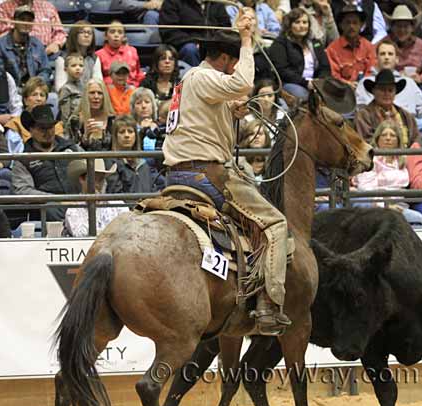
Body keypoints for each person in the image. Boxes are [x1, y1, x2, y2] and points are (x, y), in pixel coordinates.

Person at [163, 12, 291, 335]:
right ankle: (269, 306)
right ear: (223, 59)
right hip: (207, 174)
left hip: (179, 173)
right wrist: (246, 40)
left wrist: (230, 110)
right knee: (275, 223)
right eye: (233, 61)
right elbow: (243, 83)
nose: (235, 66)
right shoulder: (201, 77)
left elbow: (215, 109)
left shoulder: (191, 82)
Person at [12, 105, 82, 221]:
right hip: (50, 209)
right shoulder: (23, 159)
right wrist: (57, 200)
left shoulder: (72, 148)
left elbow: (91, 170)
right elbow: (23, 191)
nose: (48, 132)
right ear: (31, 129)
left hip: (79, 201)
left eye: (50, 127)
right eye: (42, 128)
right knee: (51, 208)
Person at [352, 120, 422, 222]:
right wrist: (386, 206)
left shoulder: (402, 159)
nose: (388, 138)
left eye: (392, 135)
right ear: (377, 139)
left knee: (419, 219)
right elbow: (366, 189)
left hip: (401, 205)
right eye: (384, 135)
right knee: (417, 218)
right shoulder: (371, 160)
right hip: (377, 207)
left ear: (398, 140)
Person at [355, 39, 422, 126]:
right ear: (376, 59)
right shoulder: (366, 83)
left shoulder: (409, 83)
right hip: (378, 126)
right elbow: (361, 111)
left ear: (397, 59)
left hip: (409, 125)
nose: (386, 57)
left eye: (390, 54)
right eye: (382, 54)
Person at [268, 8, 330, 99]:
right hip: (291, 83)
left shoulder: (315, 43)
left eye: (305, 22)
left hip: (315, 83)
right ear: (289, 25)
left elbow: (325, 67)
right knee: (305, 97)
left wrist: (319, 81)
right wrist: (306, 83)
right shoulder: (280, 43)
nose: (302, 26)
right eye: (297, 22)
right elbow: (282, 70)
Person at [64, 158, 129, 237]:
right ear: (82, 179)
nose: (97, 184)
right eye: (93, 179)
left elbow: (128, 228)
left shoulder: (118, 205)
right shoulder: (73, 210)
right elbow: (80, 233)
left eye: (100, 180)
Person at [355, 69, 419, 147]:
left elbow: (416, 139)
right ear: (373, 91)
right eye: (382, 90)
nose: (386, 94)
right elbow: (365, 142)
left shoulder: (406, 116)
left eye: (390, 90)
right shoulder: (364, 115)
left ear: (395, 93)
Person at [0, 5, 52, 89]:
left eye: (29, 20)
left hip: (34, 90)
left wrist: (35, 85)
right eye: (22, 19)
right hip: (10, 91)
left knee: (53, 98)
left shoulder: (37, 44)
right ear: (14, 22)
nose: (26, 23)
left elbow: (45, 70)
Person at [159, 0, 231, 67]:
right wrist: (195, 42)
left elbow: (225, 28)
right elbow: (169, 31)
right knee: (190, 49)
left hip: (213, 44)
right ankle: (195, 78)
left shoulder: (216, 3)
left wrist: (214, 44)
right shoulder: (173, 2)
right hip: (186, 45)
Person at [6, 76, 64, 154]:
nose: (39, 99)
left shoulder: (56, 125)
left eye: (42, 95)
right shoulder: (15, 124)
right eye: (34, 95)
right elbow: (15, 154)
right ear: (25, 100)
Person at [325, 4, 375, 90]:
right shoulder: (332, 49)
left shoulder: (368, 47)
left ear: (361, 25)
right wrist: (347, 84)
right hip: (341, 91)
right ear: (341, 25)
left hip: (366, 89)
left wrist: (362, 85)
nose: (351, 26)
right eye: (348, 23)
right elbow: (333, 76)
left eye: (355, 23)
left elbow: (371, 71)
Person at [0, 0, 67, 59]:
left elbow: (60, 32)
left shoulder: (48, 7)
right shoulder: (3, 8)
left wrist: (56, 44)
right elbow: (4, 34)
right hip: (17, 52)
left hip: (48, 52)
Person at [384, 4, 422, 87]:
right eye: (398, 26)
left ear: (412, 28)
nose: (402, 30)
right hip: (390, 86)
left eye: (406, 26)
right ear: (392, 27)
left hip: (417, 85)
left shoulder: (421, 45)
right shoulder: (384, 44)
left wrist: (420, 78)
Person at [106, 115, 155, 194]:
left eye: (130, 131)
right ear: (115, 136)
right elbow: (116, 193)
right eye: (122, 132)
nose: (127, 135)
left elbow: (151, 191)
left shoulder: (143, 164)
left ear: (135, 135)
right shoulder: (111, 162)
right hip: (123, 206)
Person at [54, 20, 103, 93]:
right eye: (82, 32)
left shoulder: (94, 58)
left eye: (89, 33)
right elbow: (60, 87)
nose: (86, 35)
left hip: (88, 98)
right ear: (74, 35)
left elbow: (99, 83)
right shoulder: (62, 59)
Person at [67, 79, 115, 152]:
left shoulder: (113, 120)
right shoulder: (75, 120)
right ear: (86, 96)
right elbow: (72, 150)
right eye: (92, 93)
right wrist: (86, 137)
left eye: (100, 93)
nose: (96, 97)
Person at [96, 20, 145, 88]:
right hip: (109, 90)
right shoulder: (99, 54)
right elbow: (98, 79)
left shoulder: (132, 51)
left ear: (124, 37)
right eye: (112, 32)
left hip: (133, 90)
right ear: (105, 36)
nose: (116, 35)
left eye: (120, 32)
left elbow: (139, 74)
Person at [58, 54, 84, 127]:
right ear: (65, 69)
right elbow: (65, 116)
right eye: (73, 66)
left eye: (81, 66)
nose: (78, 68)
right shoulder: (66, 89)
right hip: (72, 126)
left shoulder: (85, 87)